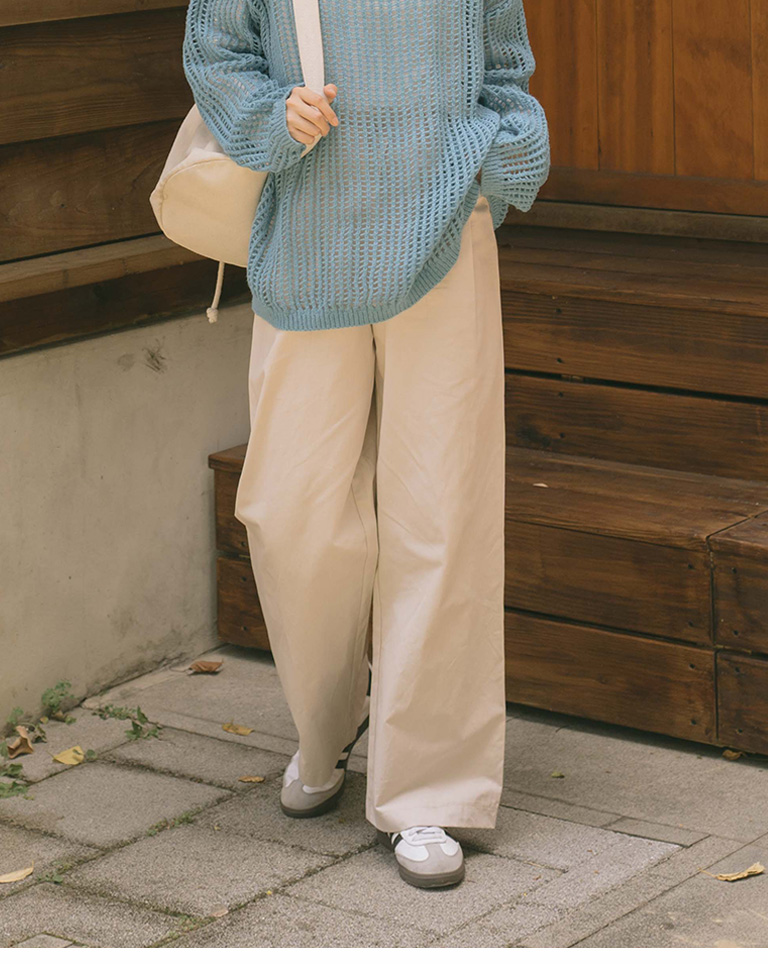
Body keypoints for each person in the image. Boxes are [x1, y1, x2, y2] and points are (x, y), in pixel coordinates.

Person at [183, 0, 550, 889]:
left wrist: (493, 158)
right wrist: (271, 116)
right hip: (309, 235)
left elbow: (506, 70)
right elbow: (217, 53)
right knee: (290, 513)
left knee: (442, 513)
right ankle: (331, 723)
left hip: (446, 227)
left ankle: (429, 787)